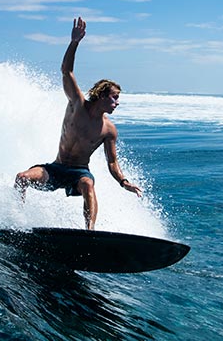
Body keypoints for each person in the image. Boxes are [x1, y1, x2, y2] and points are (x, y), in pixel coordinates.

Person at [14, 17, 142, 230]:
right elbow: (67, 71)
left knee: (88, 185)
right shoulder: (77, 105)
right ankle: (16, 221)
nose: (117, 103)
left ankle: (89, 232)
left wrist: (123, 182)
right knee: (22, 178)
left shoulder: (109, 130)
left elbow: (112, 162)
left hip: (79, 172)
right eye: (114, 97)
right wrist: (74, 42)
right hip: (56, 169)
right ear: (101, 96)